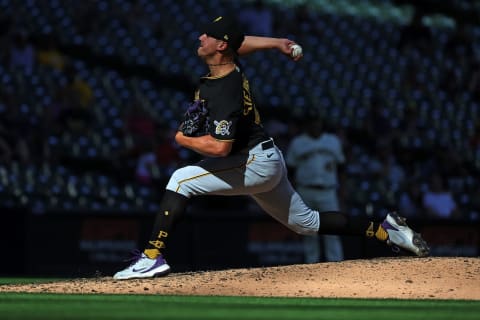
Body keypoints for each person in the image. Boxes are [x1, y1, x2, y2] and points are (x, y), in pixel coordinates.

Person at [113, 16, 429, 280]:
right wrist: (277, 42)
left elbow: (220, 149)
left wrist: (182, 139)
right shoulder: (227, 66)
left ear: (220, 46)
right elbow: (241, 42)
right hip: (265, 157)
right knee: (308, 224)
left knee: (180, 179)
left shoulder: (225, 89)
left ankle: (152, 256)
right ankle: (387, 231)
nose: (200, 37)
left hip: (251, 163)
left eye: (207, 35)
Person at [286, 115, 345, 263]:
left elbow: (342, 168)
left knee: (332, 230)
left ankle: (336, 265)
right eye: (312, 121)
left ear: (321, 123)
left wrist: (343, 191)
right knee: (309, 230)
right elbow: (290, 170)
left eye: (317, 121)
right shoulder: (297, 142)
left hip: (328, 190)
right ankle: (311, 265)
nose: (315, 124)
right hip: (305, 190)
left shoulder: (333, 141)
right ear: (307, 124)